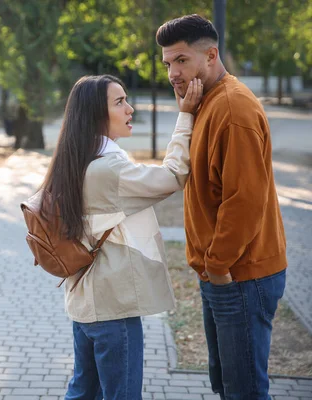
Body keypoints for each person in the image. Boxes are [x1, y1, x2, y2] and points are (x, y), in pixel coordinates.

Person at [38, 74, 202, 400]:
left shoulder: (75, 160)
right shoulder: (107, 169)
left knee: (82, 392)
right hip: (113, 307)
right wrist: (185, 115)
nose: (130, 109)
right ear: (96, 115)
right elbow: (172, 176)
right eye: (119, 102)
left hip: (85, 302)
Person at [156, 14, 287, 400]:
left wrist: (217, 267)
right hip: (222, 272)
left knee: (243, 390)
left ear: (211, 55)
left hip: (241, 274)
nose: (172, 73)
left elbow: (244, 202)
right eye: (167, 64)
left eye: (181, 60)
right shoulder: (206, 101)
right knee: (226, 385)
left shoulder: (232, 108)